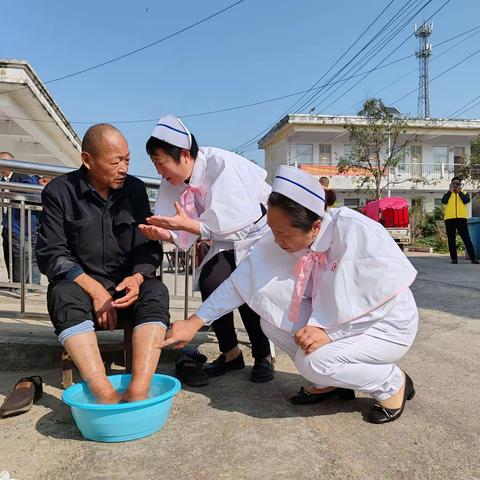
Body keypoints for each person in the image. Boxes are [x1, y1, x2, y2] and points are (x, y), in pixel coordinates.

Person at [161, 165, 419, 424]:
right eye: (273, 231)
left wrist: (329, 334)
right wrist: (194, 322)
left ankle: (392, 382)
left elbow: (383, 298)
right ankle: (334, 382)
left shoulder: (356, 231)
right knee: (270, 323)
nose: (276, 240)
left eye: (283, 234)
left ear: (315, 226)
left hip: (384, 324)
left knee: (314, 363)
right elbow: (241, 281)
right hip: (335, 322)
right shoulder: (285, 237)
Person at [36, 124, 169, 403]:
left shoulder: (134, 190)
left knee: (156, 291)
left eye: (127, 160)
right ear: (88, 160)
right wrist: (95, 290)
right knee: (61, 293)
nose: (123, 168)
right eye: (115, 161)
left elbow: (148, 247)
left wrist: (137, 278)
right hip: (82, 286)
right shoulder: (60, 192)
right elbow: (51, 253)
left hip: (125, 286)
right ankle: (102, 391)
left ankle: (139, 388)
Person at [139, 114, 273, 383]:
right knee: (212, 279)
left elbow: (237, 223)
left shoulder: (222, 165)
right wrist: (166, 233)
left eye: (161, 163)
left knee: (244, 285)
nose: (159, 172)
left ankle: (263, 355)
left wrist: (189, 227)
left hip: (259, 234)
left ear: (184, 155)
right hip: (224, 238)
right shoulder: (173, 181)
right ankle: (231, 353)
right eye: (154, 164)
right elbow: (182, 225)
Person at [0, 152, 40, 288]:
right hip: (7, 223)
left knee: (22, 256)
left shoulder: (22, 178)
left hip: (21, 224)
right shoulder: (2, 179)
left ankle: (23, 286)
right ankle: (16, 282)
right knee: (9, 253)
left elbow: (29, 194)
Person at [441, 176, 478, 264]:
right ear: (451, 184)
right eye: (453, 183)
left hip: (461, 219)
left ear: (460, 184)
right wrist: (450, 192)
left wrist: (459, 191)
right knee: (451, 239)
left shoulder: (464, 193)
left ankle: (473, 259)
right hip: (449, 219)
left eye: (457, 183)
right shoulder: (447, 194)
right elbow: (444, 201)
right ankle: (454, 259)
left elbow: (466, 201)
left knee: (466, 239)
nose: (455, 185)